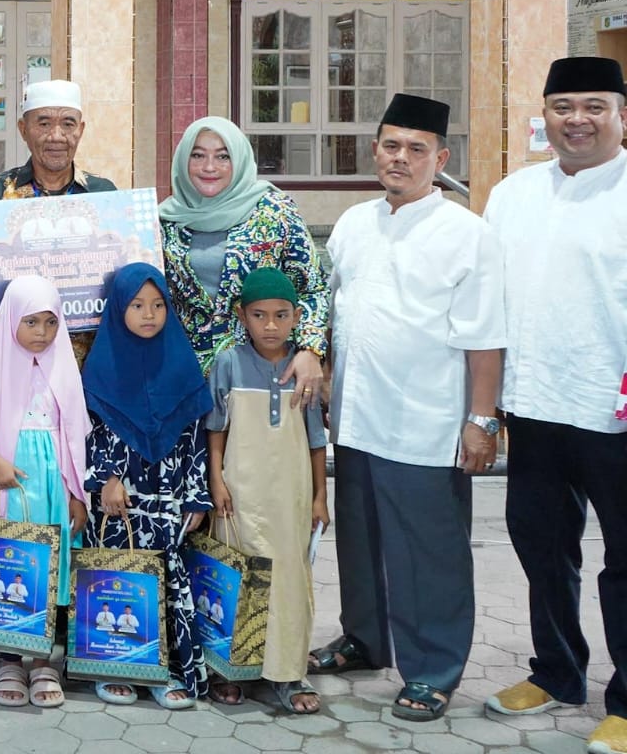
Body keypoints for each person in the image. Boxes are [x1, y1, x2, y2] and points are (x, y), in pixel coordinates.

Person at [310, 93, 505, 723]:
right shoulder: (354, 224)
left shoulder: (467, 234)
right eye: (390, 145)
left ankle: (433, 669)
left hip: (426, 425)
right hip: (358, 418)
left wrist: (481, 421)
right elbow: (334, 317)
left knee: (429, 555)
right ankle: (366, 641)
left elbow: (485, 336)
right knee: (359, 543)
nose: (400, 158)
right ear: (375, 150)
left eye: (416, 149)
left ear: (441, 158)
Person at [483, 57, 627, 754]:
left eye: (593, 105)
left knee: (625, 559)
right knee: (543, 548)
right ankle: (558, 673)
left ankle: (626, 701)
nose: (577, 120)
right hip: (535, 406)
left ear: (621, 114)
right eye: (563, 106)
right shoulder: (513, 194)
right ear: (545, 116)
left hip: (616, 412)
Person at [0, 275, 92, 710]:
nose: (41, 333)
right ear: (11, 319)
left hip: (54, 483)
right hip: (9, 481)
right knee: (12, 561)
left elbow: (76, 435)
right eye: (31, 321)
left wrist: (77, 493)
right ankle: (11, 658)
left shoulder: (63, 368)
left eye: (51, 323)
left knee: (50, 564)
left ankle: (41, 660)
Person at [83, 262, 214, 710]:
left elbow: (197, 434)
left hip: (170, 497)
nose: (148, 314)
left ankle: (166, 670)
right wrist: (107, 478)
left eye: (158, 305)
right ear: (118, 307)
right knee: (120, 578)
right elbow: (93, 432)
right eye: (137, 305)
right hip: (121, 502)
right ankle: (116, 665)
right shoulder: (101, 366)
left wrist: (197, 494)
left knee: (168, 578)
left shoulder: (181, 361)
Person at [205, 267, 330, 714]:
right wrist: (216, 480)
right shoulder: (228, 362)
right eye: (260, 315)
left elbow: (317, 439)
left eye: (281, 315)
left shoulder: (304, 367)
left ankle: (287, 672)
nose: (271, 325)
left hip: (290, 495)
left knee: (290, 580)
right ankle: (230, 670)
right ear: (242, 316)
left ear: (297, 317)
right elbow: (216, 427)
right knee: (237, 577)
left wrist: (320, 496)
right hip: (239, 493)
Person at [158, 117, 328, 397]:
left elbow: (313, 288)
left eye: (223, 156)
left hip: (262, 374)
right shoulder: (165, 221)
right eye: (198, 155)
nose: (209, 166)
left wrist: (310, 349)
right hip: (182, 381)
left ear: (239, 159)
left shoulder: (274, 212)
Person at [0, 80, 115, 363]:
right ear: (23, 129)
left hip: (89, 361)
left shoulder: (104, 194)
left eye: (67, 124)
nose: (56, 136)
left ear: (81, 129)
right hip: (14, 357)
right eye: (43, 123)